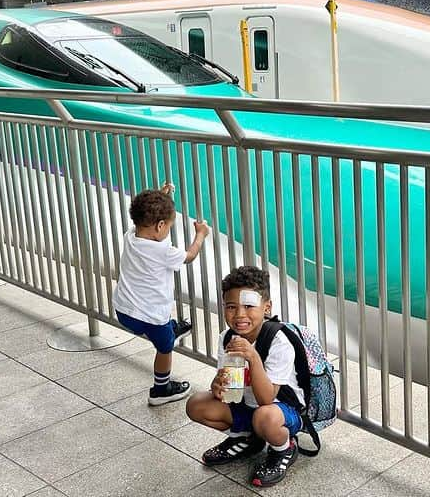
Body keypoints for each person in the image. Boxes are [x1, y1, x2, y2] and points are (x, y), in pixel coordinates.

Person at [185, 266, 304, 488]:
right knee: (196, 405)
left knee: (265, 416)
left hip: (281, 410)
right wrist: (218, 385)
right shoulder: (228, 337)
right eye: (231, 307)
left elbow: (266, 399)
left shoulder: (279, 341)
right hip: (249, 405)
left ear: (266, 307)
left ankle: (284, 447)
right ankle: (248, 438)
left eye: (249, 306)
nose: (240, 314)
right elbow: (232, 391)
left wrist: (253, 357)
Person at [113, 182, 209, 406]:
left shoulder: (132, 235)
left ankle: (171, 329)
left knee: (160, 329)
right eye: (168, 227)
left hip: (124, 309)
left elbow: (148, 220)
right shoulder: (164, 251)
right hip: (151, 317)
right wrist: (201, 235)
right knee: (165, 347)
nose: (168, 231)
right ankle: (161, 389)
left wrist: (161, 196)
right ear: (160, 226)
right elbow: (189, 256)